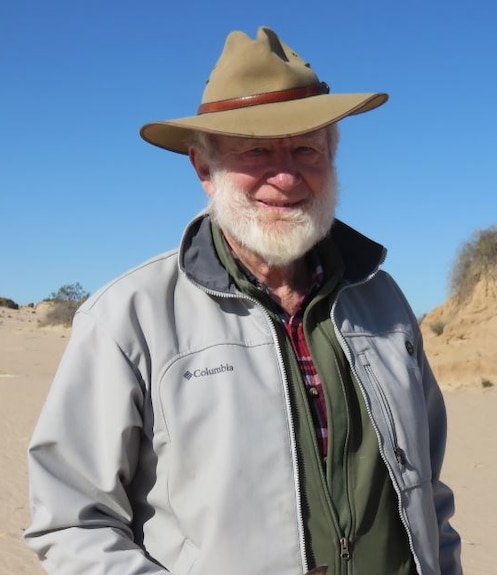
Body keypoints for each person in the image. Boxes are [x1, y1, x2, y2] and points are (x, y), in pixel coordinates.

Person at [24, 26, 462, 575]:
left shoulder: (383, 301)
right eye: (255, 151)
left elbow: (427, 493)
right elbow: (71, 522)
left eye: (306, 148)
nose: (285, 175)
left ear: (333, 155)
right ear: (204, 169)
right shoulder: (128, 317)